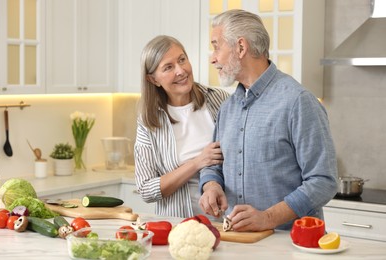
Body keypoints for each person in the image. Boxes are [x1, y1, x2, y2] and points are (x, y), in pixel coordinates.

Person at [198, 9, 338, 231]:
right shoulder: (228, 108)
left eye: (216, 46)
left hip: (290, 244)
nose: (212, 57)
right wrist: (211, 186)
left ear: (241, 47)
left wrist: (268, 218)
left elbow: (323, 181)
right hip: (235, 240)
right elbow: (214, 163)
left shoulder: (298, 102)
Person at [134, 35, 230, 218]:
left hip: (226, 221)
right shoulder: (148, 121)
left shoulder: (219, 99)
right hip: (178, 224)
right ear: (153, 80)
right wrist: (197, 162)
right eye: (168, 67)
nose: (181, 70)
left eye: (182, 60)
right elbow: (146, 189)